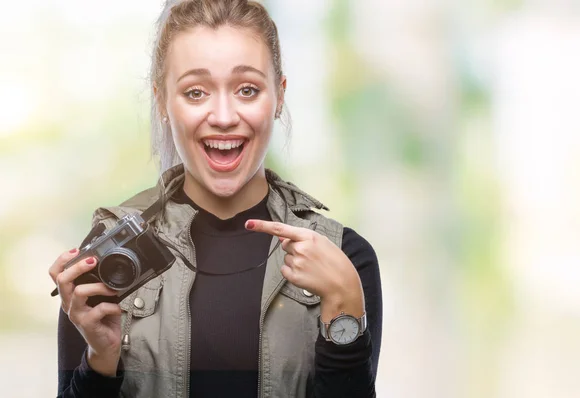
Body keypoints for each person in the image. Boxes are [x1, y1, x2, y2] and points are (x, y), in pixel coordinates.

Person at [48, 0, 382, 397]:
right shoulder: (113, 257)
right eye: (195, 92)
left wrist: (344, 308)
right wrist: (100, 360)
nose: (223, 116)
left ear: (279, 96)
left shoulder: (343, 258)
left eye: (247, 89)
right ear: (162, 102)